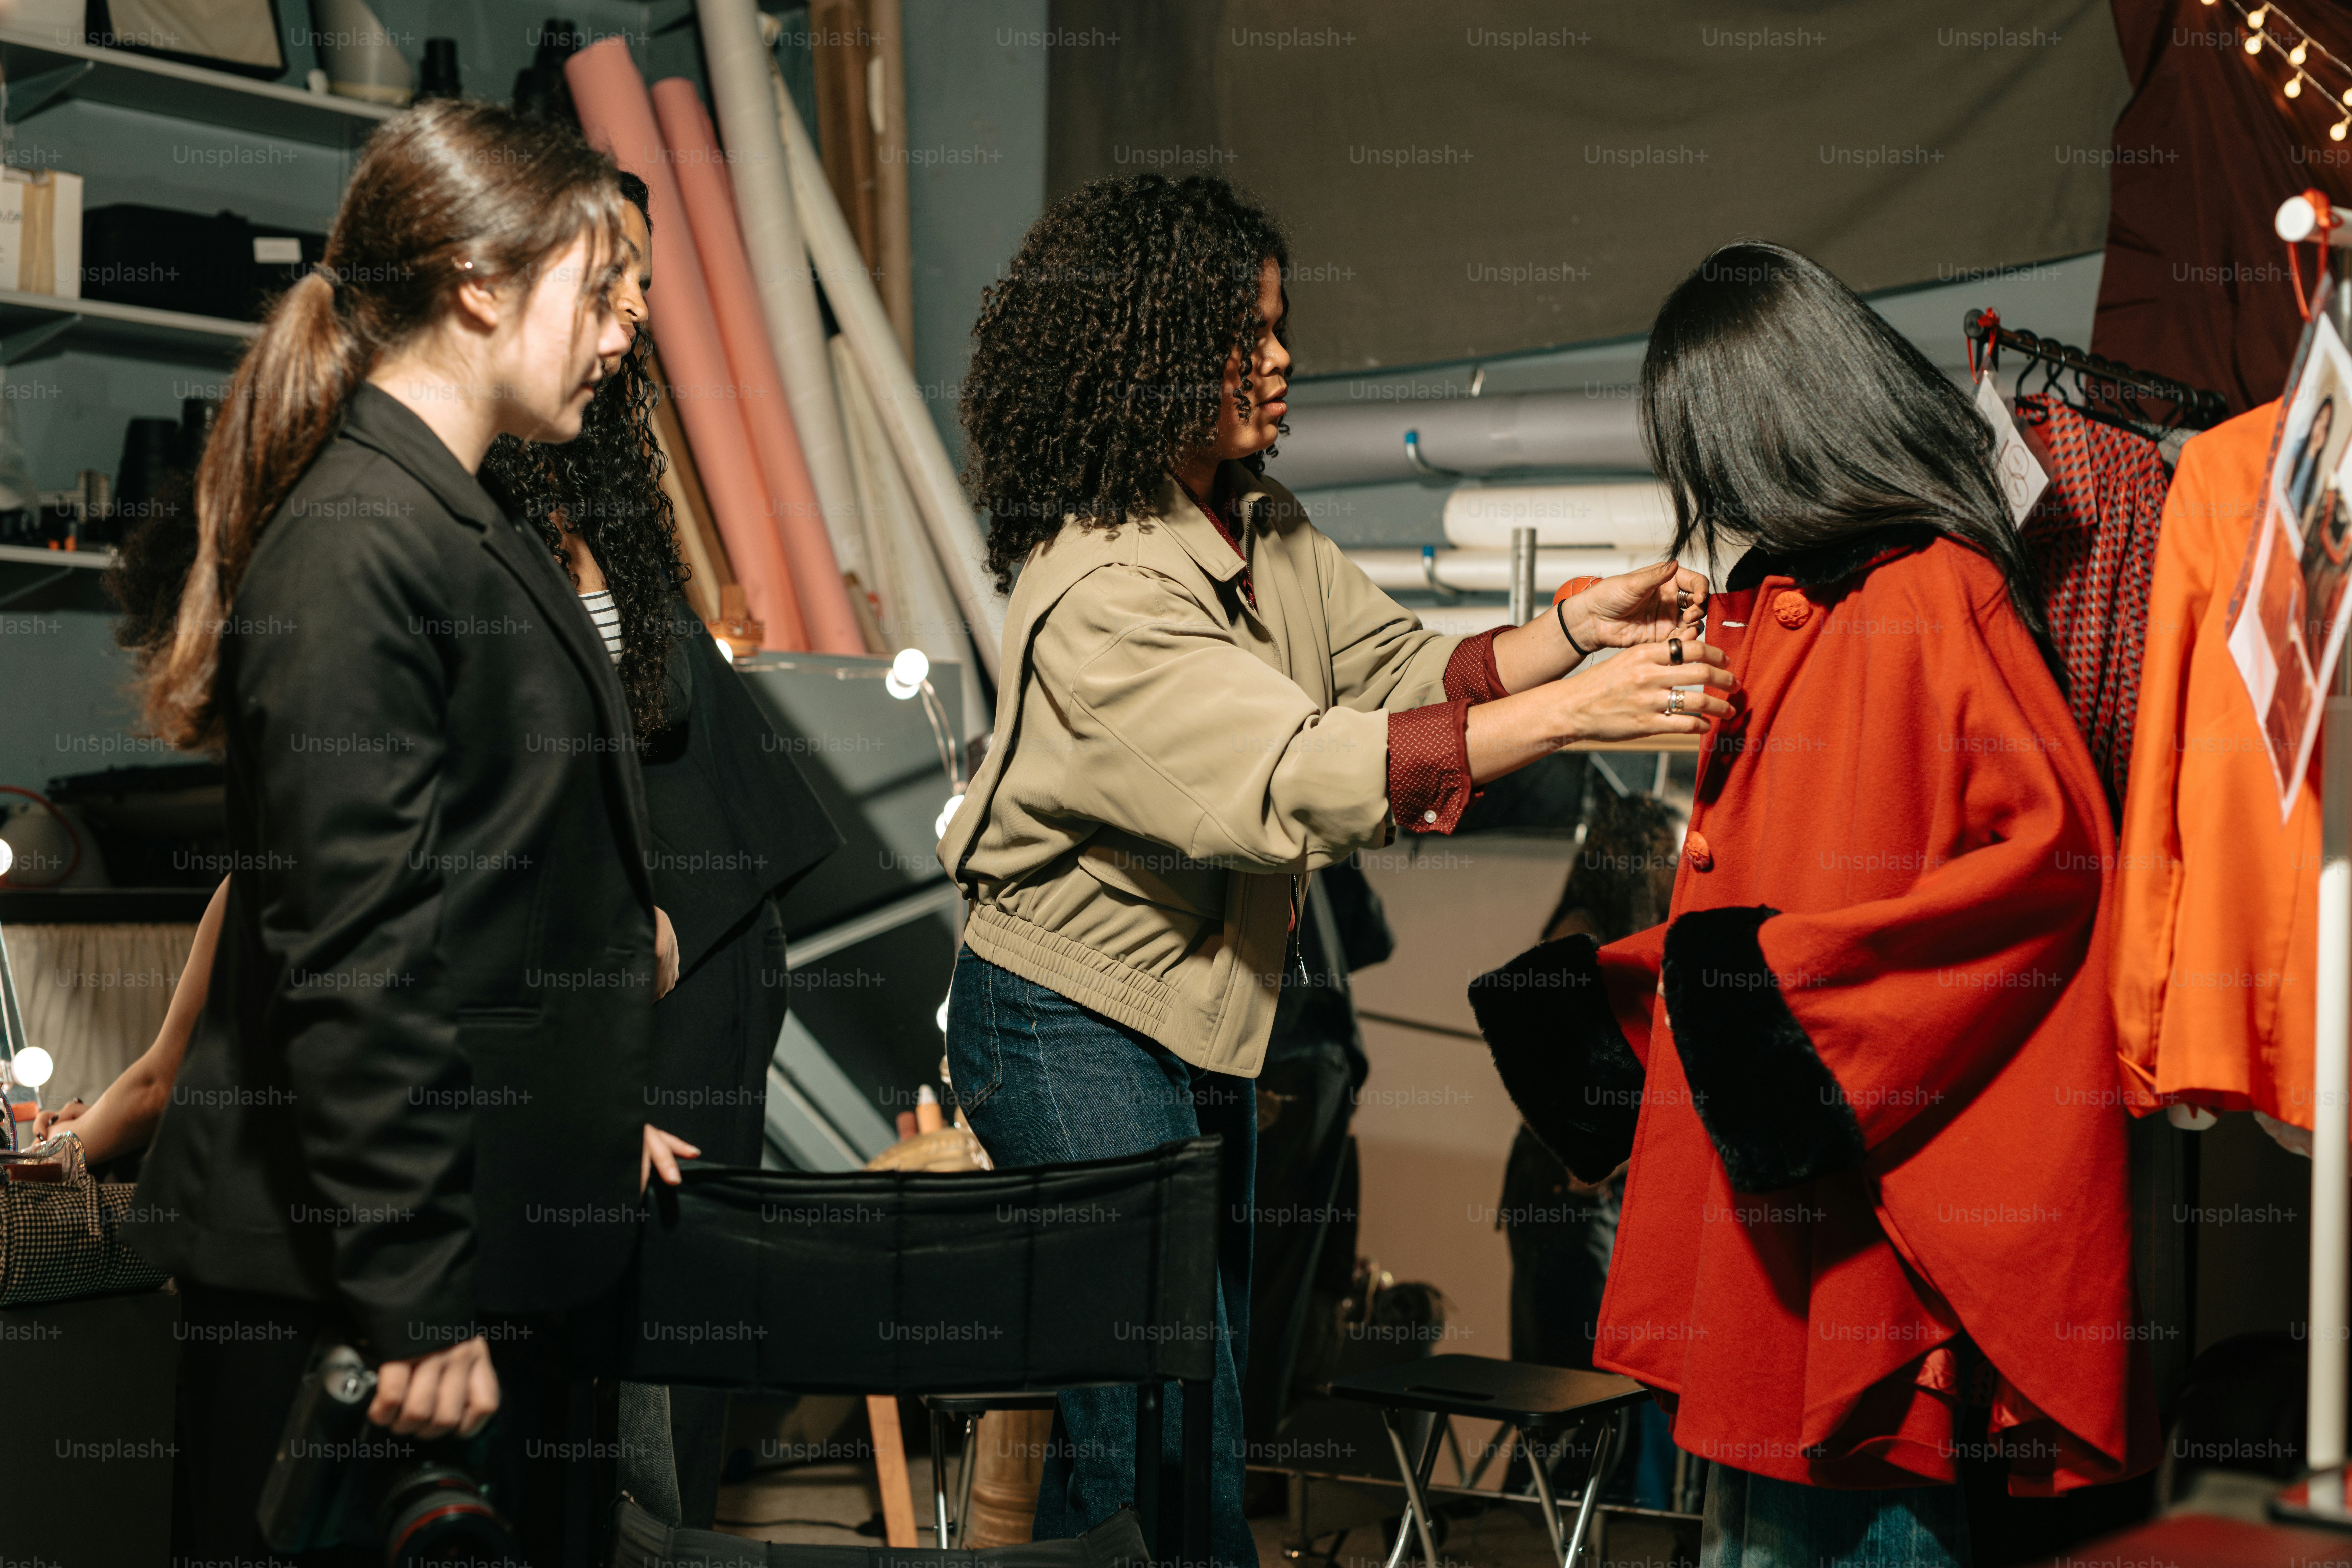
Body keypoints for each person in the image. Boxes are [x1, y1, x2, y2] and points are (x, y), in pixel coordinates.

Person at [935, 173, 1731, 1567]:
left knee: (1188, 1399)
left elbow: (1399, 670)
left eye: (1281, 326)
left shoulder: (1260, 524)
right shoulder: (1104, 590)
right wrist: (1570, 713)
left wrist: (1571, 628)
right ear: (1153, 344)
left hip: (1187, 1017)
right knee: (1148, 1416)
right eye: (1247, 333)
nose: (1283, 358)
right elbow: (1287, 778)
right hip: (1065, 1022)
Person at [1476, 242, 2156, 1568]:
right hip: (1788, 1216)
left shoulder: (1927, 596)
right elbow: (1777, 883)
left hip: (1867, 1228)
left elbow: (2052, 866)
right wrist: (1631, 1002)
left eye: (1706, 446)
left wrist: (1783, 1000)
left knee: (1831, 1525)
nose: (1706, 487)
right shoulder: (1804, 604)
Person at [123, 100, 687, 1558]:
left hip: (484, 1256)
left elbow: (484, 859)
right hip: (358, 1296)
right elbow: (357, 950)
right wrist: (419, 1301)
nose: (625, 328)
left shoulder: (466, 517)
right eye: (595, 282)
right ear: (482, 285)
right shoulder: (361, 539)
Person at [477, 172, 841, 1530]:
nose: (634, 317)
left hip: (709, 934)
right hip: (594, 944)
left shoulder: (608, 462)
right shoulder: (449, 488)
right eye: (607, 284)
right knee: (563, 1343)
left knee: (666, 1353)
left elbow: (654, 703)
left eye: (641, 286)